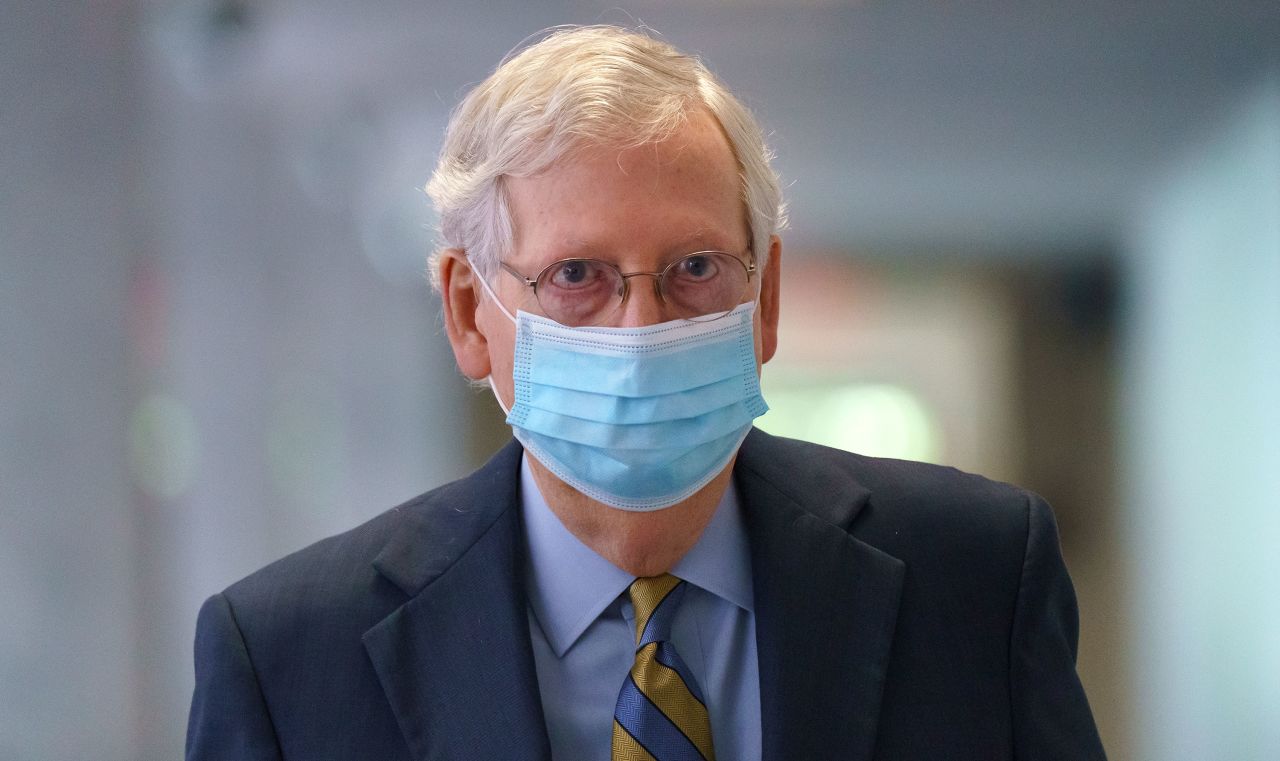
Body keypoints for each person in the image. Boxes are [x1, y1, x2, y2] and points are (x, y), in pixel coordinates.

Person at [186, 25, 1106, 761]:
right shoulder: (290, 657)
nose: (641, 330)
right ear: (471, 314)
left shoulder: (977, 580)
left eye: (695, 267)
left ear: (766, 298)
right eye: (577, 274)